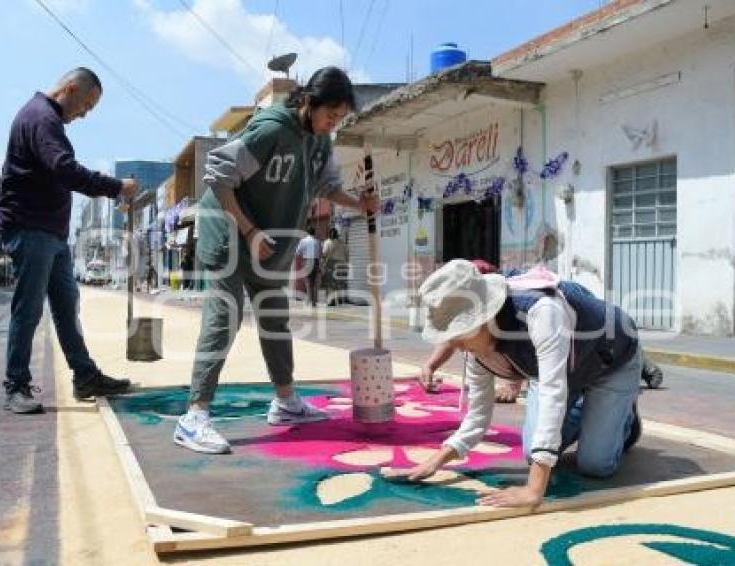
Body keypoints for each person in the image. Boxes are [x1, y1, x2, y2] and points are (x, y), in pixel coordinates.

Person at [174, 66, 378, 454]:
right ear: (309, 103)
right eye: (330, 116)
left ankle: (286, 402)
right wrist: (249, 232)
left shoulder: (319, 142)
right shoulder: (271, 130)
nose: (332, 125)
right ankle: (194, 416)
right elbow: (218, 176)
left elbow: (328, 186)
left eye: (339, 119)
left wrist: (360, 203)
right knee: (225, 317)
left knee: (274, 319)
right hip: (230, 232)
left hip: (267, 244)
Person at [398, 260, 642, 508]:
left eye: (458, 334)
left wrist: (534, 490)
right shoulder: (476, 349)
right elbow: (477, 416)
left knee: (595, 465)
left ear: (485, 318)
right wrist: (438, 460)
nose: (456, 346)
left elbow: (552, 393)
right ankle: (591, 410)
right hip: (562, 371)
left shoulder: (541, 312)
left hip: (610, 361)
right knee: (532, 453)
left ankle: (626, 419)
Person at [0, 67, 138, 414]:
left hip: (52, 235)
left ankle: (85, 375)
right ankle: (15, 386)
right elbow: (65, 168)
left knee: (66, 308)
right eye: (86, 104)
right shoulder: (41, 118)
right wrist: (115, 187)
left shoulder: (47, 119)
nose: (85, 113)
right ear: (70, 88)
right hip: (32, 229)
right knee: (28, 310)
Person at [295, 226, 322, 306]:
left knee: (307, 281)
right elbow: (320, 253)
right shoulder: (318, 241)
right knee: (314, 282)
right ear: (314, 233)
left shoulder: (303, 241)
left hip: (306, 261)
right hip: (315, 261)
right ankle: (314, 302)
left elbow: (298, 252)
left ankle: (309, 300)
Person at [321, 227, 348, 306]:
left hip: (331, 263)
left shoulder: (327, 242)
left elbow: (324, 253)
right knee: (339, 283)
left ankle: (331, 301)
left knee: (330, 283)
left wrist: (322, 260)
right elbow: (347, 255)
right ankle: (340, 300)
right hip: (342, 264)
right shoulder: (342, 243)